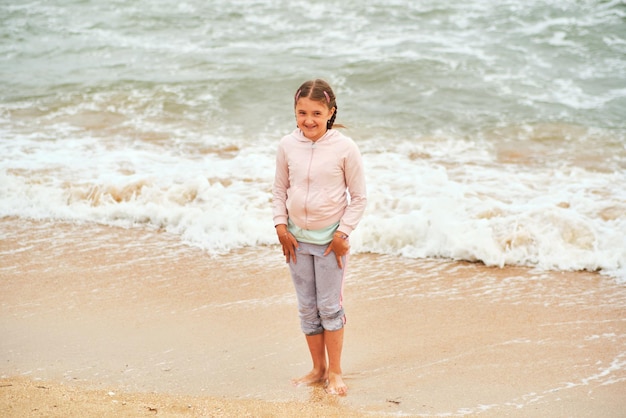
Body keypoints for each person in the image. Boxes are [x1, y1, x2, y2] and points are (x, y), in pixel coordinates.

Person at [272, 79, 367, 396]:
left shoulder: (345, 148)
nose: (308, 120)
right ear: (294, 112)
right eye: (302, 112)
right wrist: (280, 226)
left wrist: (343, 234)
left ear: (331, 112)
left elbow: (360, 198)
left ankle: (336, 372)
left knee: (329, 308)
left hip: (330, 244)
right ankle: (318, 369)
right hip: (296, 241)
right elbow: (279, 190)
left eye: (316, 112)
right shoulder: (287, 145)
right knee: (307, 309)